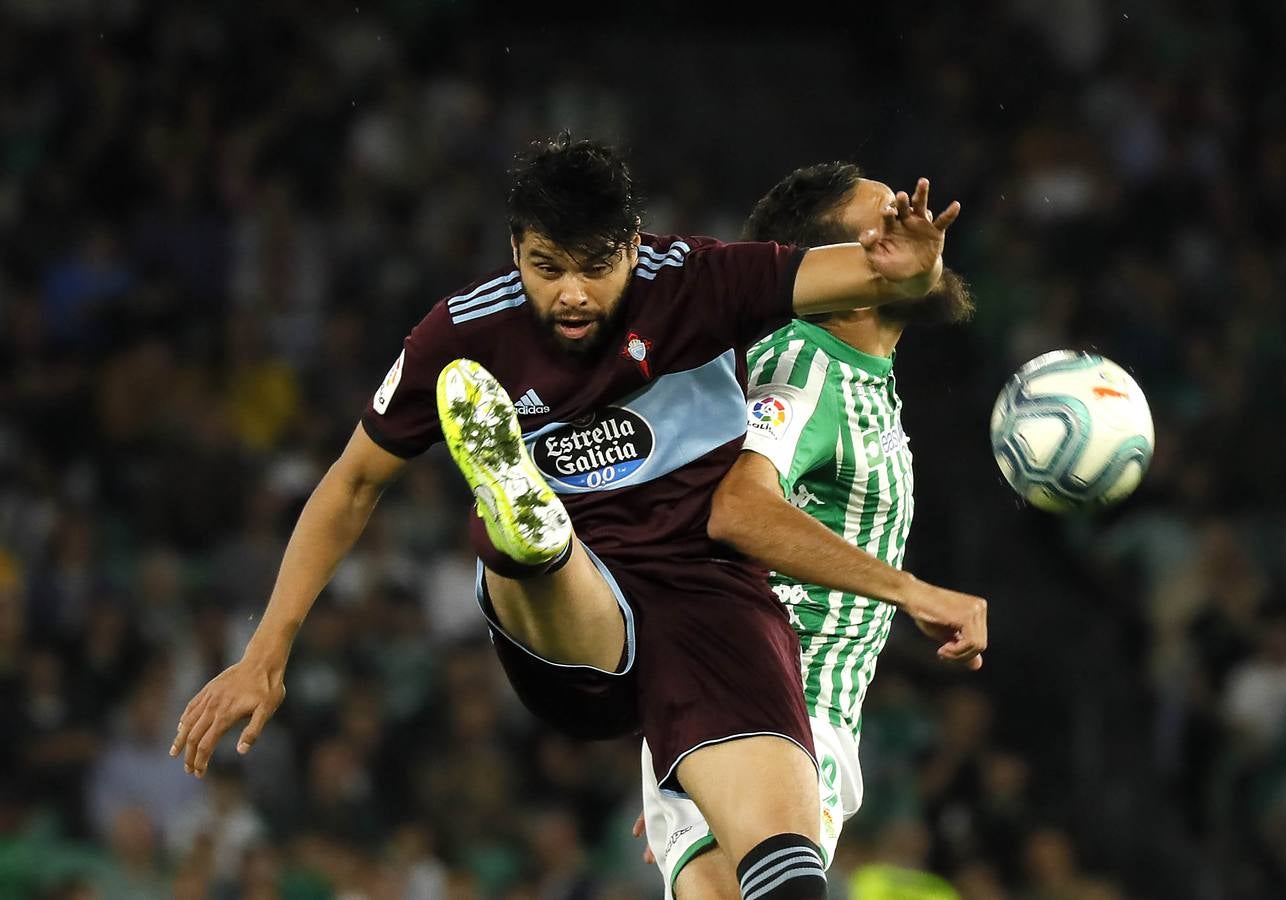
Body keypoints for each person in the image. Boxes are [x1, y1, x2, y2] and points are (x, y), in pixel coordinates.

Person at [169, 137, 986, 900]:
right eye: (544, 266)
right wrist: (266, 651)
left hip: (711, 612)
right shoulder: (461, 332)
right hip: (580, 620)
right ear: (514, 248)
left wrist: (913, 269)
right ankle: (528, 527)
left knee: (783, 875)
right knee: (545, 557)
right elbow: (349, 485)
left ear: (634, 242)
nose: (569, 292)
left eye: (595, 267)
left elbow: (882, 283)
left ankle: (533, 528)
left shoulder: (701, 281)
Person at [635, 163, 983, 899]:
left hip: (744, 714)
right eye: (890, 220)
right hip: (774, 704)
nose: (920, 229)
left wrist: (698, 758)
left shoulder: (856, 371)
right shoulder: (805, 365)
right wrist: (910, 591)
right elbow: (737, 508)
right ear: (840, 264)